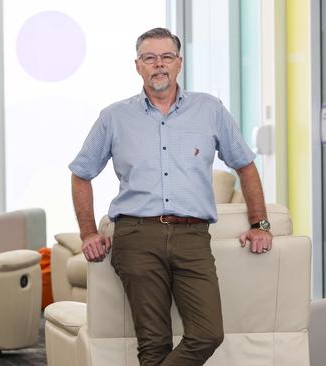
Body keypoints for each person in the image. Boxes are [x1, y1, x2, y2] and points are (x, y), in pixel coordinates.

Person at [69, 27, 273, 366]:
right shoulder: (114, 117)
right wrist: (88, 231)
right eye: (150, 58)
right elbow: (81, 174)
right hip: (136, 236)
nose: (158, 65)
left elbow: (246, 166)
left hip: (192, 236)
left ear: (179, 63)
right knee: (153, 343)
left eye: (166, 57)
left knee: (208, 333)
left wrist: (261, 223)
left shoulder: (210, 110)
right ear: (138, 66)